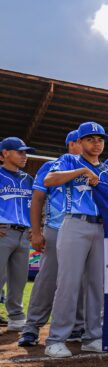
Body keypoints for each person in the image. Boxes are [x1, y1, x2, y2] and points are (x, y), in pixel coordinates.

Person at [42, 122, 108, 358]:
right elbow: (49, 180)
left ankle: (93, 337)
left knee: (97, 284)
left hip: (102, 227)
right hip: (75, 223)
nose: (96, 143)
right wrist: (82, 172)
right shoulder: (69, 160)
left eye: (100, 139)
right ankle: (56, 339)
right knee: (69, 282)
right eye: (90, 139)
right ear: (80, 141)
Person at [18, 131, 87, 346]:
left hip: (83, 230)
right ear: (73, 144)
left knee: (80, 281)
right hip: (56, 228)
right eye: (83, 141)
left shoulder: (94, 168)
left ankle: (77, 326)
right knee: (48, 279)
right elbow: (38, 198)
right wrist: (36, 231)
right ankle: (32, 327)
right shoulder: (51, 166)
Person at [0, 137, 35, 333]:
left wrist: (34, 228)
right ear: (5, 153)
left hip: (24, 233)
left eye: (25, 152)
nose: (24, 155)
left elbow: (35, 205)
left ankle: (16, 316)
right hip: (3, 231)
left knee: (19, 280)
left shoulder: (28, 179)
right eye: (20, 151)